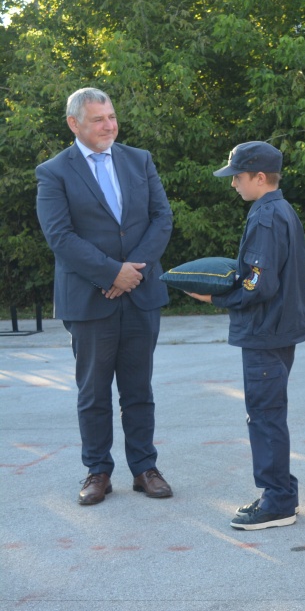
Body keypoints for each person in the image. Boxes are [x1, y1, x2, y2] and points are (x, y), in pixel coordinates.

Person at [35, 87, 175, 505]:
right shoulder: (54, 172)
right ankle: (97, 471)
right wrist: (112, 273)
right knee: (93, 392)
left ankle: (144, 469)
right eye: (98, 119)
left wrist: (131, 272)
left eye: (111, 116)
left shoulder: (139, 159)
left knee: (139, 390)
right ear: (74, 124)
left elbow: (161, 218)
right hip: (89, 299)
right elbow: (60, 236)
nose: (109, 125)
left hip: (141, 294)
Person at [184, 141, 305, 531]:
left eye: (237, 176)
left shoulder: (266, 218)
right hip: (276, 330)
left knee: (265, 416)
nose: (233, 183)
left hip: (263, 332)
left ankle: (277, 501)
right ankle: (281, 492)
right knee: (269, 413)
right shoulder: (281, 210)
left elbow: (259, 284)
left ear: (259, 177)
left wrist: (215, 297)